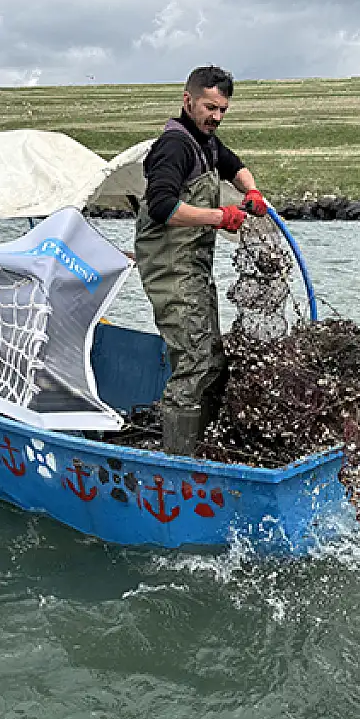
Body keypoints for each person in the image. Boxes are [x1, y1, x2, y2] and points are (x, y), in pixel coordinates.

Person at [133, 64, 267, 455]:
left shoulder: (206, 141)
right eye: (210, 107)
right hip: (170, 269)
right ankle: (179, 463)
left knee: (213, 359)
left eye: (223, 109)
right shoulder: (174, 146)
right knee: (192, 361)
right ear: (188, 100)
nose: (217, 116)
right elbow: (162, 206)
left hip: (195, 269)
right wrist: (218, 217)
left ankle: (204, 447)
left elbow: (234, 166)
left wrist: (252, 191)